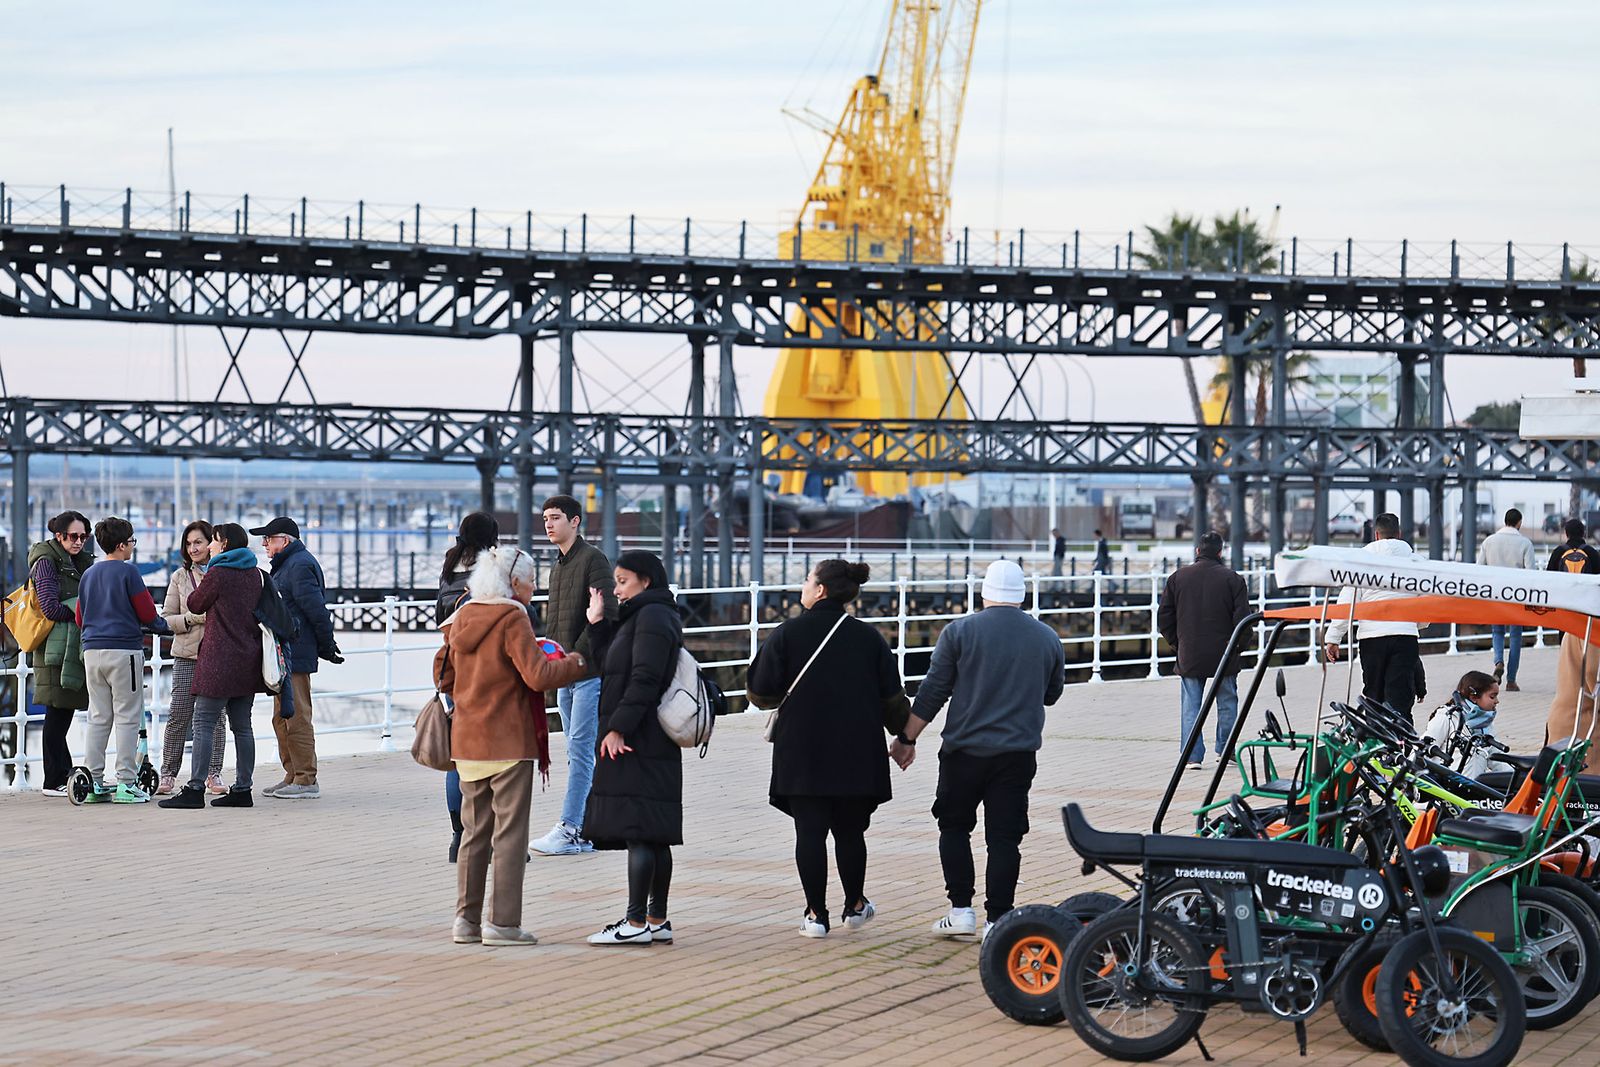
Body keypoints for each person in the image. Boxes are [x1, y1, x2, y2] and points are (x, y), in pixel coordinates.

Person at [890, 559, 1065, 941]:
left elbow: (933, 691)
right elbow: (1052, 694)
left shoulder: (959, 632)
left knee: (954, 827)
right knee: (1004, 838)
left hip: (963, 752)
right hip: (1017, 754)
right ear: (1021, 595)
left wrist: (906, 740)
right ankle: (997, 921)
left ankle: (961, 911)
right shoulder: (1046, 637)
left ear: (984, 593)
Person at [434, 546, 590, 946]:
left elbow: (442, 673)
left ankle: (465, 923)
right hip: (508, 741)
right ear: (513, 582)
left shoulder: (461, 616)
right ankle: (502, 924)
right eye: (532, 580)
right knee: (509, 836)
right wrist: (575, 663)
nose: (535, 587)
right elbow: (537, 676)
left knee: (473, 834)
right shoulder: (512, 618)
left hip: (467, 740)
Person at [747, 560, 910, 939]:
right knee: (851, 833)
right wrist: (904, 737)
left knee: (809, 832)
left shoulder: (788, 633)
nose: (802, 586)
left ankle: (815, 915)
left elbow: (760, 692)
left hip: (802, 750)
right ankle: (854, 905)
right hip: (857, 750)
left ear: (820, 590)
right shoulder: (869, 639)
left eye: (807, 580)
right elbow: (893, 700)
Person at [581, 550, 685, 947]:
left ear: (645, 580)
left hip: (641, 738)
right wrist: (596, 624)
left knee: (641, 830)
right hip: (647, 737)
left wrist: (618, 728)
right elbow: (613, 664)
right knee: (652, 831)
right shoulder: (643, 615)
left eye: (622, 581)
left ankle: (636, 922)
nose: (616, 588)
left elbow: (644, 679)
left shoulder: (654, 618)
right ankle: (657, 920)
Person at [531, 494, 617, 856]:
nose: (549, 524)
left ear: (575, 521)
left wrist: (574, 656)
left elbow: (605, 611)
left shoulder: (593, 559)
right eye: (546, 518)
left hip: (588, 672)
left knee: (581, 752)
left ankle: (571, 828)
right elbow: (557, 622)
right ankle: (589, 826)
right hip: (564, 674)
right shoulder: (559, 564)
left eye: (555, 518)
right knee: (575, 749)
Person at [159, 523, 265, 809]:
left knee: (203, 721)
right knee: (243, 726)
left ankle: (194, 789)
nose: (209, 548)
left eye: (214, 542)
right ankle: (243, 789)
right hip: (249, 659)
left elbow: (195, 602)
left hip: (218, 660)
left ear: (224, 544)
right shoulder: (256, 574)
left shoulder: (219, 572)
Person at [74, 516, 171, 803]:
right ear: (120, 545)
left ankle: (93, 781)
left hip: (92, 651)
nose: (132, 546)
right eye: (131, 542)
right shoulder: (128, 573)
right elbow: (146, 613)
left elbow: (80, 617)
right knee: (128, 716)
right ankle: (126, 782)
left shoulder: (89, 574)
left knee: (98, 717)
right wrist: (162, 626)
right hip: (123, 652)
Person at [250, 517, 342, 799]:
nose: (264, 544)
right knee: (281, 717)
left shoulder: (299, 566)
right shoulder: (287, 565)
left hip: (296, 652)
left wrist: (327, 646)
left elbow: (316, 610)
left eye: (269, 539)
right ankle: (292, 774)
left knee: (297, 715)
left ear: (284, 541)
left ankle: (305, 778)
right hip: (284, 653)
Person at [435, 511, 503, 863]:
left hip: (453, 666)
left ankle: (457, 838)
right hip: (487, 671)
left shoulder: (449, 566)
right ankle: (494, 838)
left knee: (458, 757)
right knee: (496, 756)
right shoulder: (491, 566)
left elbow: (438, 617)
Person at [1157, 531, 1251, 769]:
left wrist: (1177, 643)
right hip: (1224, 651)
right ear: (1221, 552)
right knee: (1227, 702)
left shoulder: (1178, 578)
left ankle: (1192, 755)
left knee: (1191, 704)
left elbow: (1164, 617)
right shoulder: (1233, 579)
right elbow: (1243, 620)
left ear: (1197, 551)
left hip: (1190, 650)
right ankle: (1226, 750)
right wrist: (1238, 647)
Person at [1324, 513, 1423, 721]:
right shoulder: (1416, 561)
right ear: (1399, 534)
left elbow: (1347, 601)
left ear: (1376, 535)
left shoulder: (1362, 561)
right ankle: (1401, 744)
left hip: (1372, 638)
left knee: (1373, 695)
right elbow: (1427, 600)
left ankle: (1374, 742)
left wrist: (1333, 638)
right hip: (1405, 636)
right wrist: (1416, 625)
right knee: (1401, 696)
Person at [27, 510, 93, 797]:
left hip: (69, 646)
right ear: (59, 535)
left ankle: (61, 773)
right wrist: (86, 612)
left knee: (63, 710)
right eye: (72, 536)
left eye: (83, 536)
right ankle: (53, 778)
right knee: (56, 711)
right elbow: (49, 607)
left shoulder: (79, 562)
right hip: (53, 649)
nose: (78, 541)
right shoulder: (46, 561)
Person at [157, 520, 226, 795]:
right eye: (188, 543)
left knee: (217, 716)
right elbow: (165, 618)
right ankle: (168, 773)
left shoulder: (222, 574)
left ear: (211, 543)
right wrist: (190, 619)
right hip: (186, 654)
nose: (193, 548)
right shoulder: (180, 577)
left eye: (198, 542)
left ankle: (214, 773)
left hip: (218, 654)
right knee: (180, 713)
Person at [1479, 508, 1537, 692]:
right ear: (1519, 522)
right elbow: (1531, 573)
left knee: (1497, 631)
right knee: (1515, 637)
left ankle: (1498, 661)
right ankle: (1511, 680)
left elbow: (1479, 568)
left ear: (1505, 521)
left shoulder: (1489, 542)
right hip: (1516, 596)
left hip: (1495, 594)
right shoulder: (1525, 543)